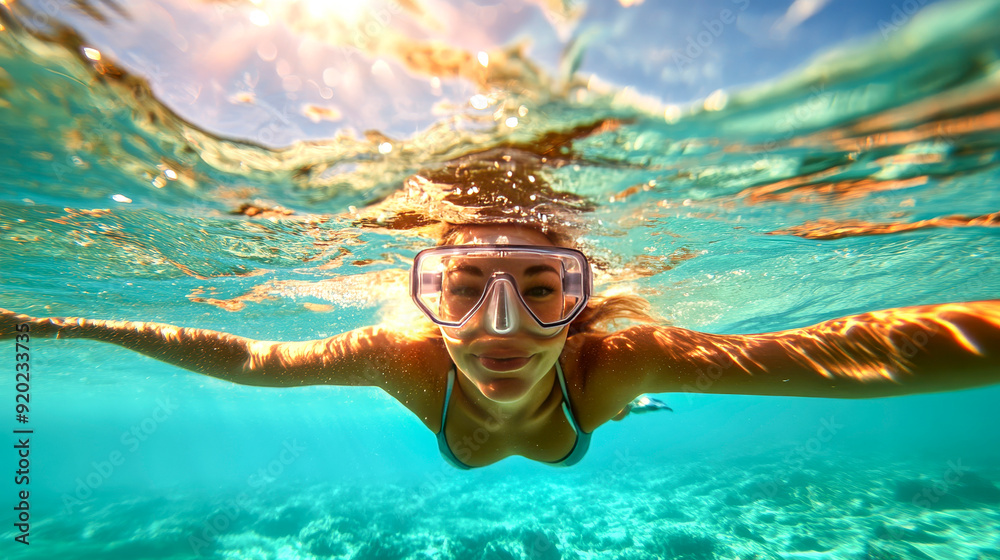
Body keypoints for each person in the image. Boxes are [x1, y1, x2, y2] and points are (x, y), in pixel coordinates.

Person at [3, 221, 999, 469]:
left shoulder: (616, 354)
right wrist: (63, 319)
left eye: (543, 289)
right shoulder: (406, 359)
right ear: (426, 301)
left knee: (637, 369)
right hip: (556, 413)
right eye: (462, 289)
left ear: (579, 299)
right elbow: (254, 360)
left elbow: (857, 352)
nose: (501, 330)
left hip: (596, 400)